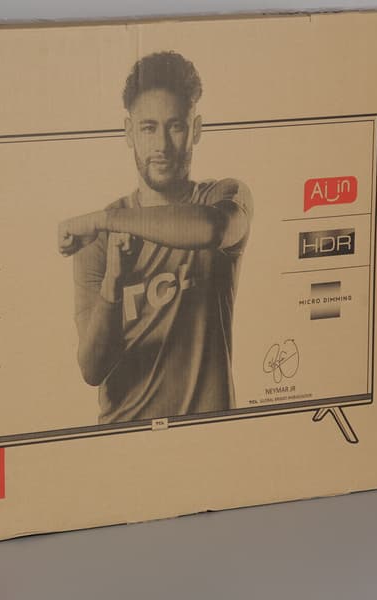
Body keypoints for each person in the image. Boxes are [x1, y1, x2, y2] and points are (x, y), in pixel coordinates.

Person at [58, 51, 254, 424]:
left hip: (209, 436)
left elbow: (212, 229)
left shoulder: (222, 196)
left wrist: (106, 221)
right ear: (129, 132)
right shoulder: (98, 238)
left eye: (175, 126)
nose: (162, 145)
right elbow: (92, 369)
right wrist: (113, 285)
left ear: (196, 129)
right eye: (148, 128)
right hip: (124, 438)